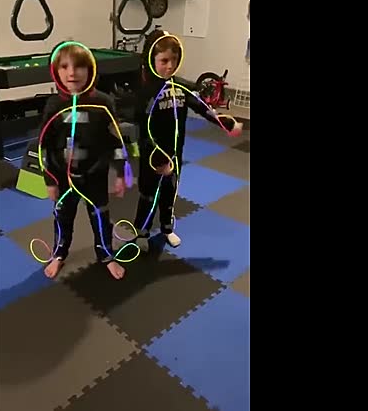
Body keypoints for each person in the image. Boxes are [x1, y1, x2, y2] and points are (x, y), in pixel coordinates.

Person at [133, 30, 244, 250]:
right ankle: (142, 231)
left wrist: (227, 124)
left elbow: (203, 108)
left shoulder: (181, 87)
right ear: (152, 60)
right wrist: (158, 159)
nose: (170, 66)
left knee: (169, 192)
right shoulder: (146, 93)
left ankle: (166, 228)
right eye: (164, 61)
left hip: (175, 152)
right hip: (153, 156)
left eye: (174, 60)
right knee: (149, 194)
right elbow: (143, 130)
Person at [38, 42, 130, 280]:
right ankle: (59, 253)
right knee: (62, 217)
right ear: (55, 71)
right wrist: (50, 180)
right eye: (64, 67)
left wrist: (120, 173)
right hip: (63, 176)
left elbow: (116, 142)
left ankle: (106, 254)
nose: (72, 73)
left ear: (90, 69)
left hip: (95, 175)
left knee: (100, 217)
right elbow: (43, 145)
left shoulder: (103, 103)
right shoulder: (54, 105)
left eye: (79, 66)